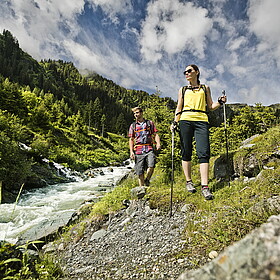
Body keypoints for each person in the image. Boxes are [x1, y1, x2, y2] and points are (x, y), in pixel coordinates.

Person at [171, 64, 226, 200]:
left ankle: (205, 187)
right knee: (186, 151)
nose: (186, 73)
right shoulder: (183, 90)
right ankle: (189, 182)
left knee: (203, 151)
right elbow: (179, 107)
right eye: (185, 72)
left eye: (189, 71)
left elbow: (211, 106)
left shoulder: (205, 88)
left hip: (202, 120)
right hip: (185, 120)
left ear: (197, 72)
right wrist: (175, 122)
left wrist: (220, 102)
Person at [128, 107, 161, 187]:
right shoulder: (133, 126)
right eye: (134, 113)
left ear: (142, 113)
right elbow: (131, 139)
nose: (136, 115)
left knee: (152, 165)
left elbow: (156, 134)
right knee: (139, 171)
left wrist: (158, 143)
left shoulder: (149, 123)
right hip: (138, 150)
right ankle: (141, 189)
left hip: (149, 148)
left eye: (137, 113)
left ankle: (147, 180)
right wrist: (131, 151)